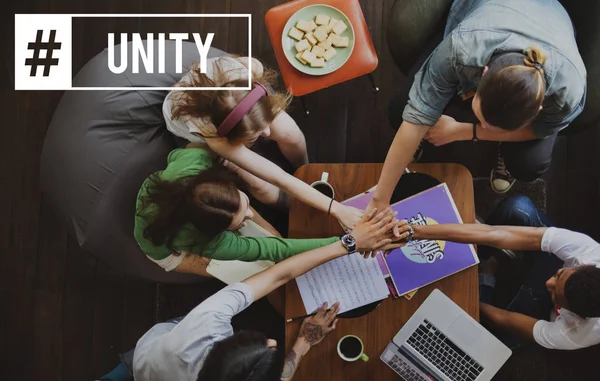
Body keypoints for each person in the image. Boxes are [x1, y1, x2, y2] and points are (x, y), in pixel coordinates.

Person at [98, 207, 411, 381]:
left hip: (146, 360)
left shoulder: (204, 322)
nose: (275, 341)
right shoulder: (208, 322)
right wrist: (302, 343)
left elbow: (278, 273)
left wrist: (349, 243)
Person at [376, 0, 586, 209]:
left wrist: (463, 131)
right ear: (482, 74)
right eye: (482, 118)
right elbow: (416, 118)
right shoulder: (462, 48)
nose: (484, 125)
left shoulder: (567, 93)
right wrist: (379, 201)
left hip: (550, 25)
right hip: (481, 19)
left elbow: (539, 130)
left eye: (496, 128)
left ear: (538, 109)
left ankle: (505, 148)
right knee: (400, 110)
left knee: (530, 165)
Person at [164, 54, 362, 230]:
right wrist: (336, 209)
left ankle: (305, 167)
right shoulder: (212, 135)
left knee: (291, 134)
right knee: (260, 185)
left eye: (264, 127)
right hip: (202, 133)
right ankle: (291, 206)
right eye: (255, 135)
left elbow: (268, 120)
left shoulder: (250, 69)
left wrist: (303, 173)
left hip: (239, 102)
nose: (267, 132)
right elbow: (277, 177)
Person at [400, 195, 600, 350]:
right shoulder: (589, 252)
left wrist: (461, 302)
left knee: (483, 337)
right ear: (584, 266)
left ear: (577, 315)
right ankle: (486, 255)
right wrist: (415, 232)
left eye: (556, 293)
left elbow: (506, 319)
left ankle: (487, 276)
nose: (548, 282)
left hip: (544, 313)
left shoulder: (574, 333)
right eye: (558, 275)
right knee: (518, 207)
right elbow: (495, 233)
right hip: (558, 264)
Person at [135, 144, 344, 276]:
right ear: (217, 233)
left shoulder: (193, 163)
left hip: (193, 211)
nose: (251, 215)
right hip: (162, 247)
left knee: (274, 236)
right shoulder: (210, 244)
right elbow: (275, 249)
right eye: (241, 219)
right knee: (259, 270)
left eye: (244, 204)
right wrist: (343, 242)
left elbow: (193, 148)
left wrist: (227, 157)